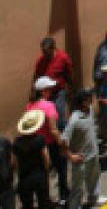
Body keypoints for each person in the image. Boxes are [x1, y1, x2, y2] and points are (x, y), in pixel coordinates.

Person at [61, 88, 105, 209]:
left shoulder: (89, 110)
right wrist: (71, 156)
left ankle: (94, 198)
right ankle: (75, 206)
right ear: (83, 101)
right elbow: (63, 141)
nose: (92, 99)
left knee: (94, 178)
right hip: (80, 158)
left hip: (92, 153)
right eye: (89, 98)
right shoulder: (74, 120)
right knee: (78, 186)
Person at [27, 76, 67, 204]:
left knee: (43, 173)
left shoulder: (29, 106)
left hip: (36, 146)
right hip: (51, 144)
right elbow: (53, 129)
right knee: (61, 168)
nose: (51, 91)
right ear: (43, 91)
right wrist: (62, 143)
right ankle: (63, 195)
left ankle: (45, 199)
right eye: (49, 89)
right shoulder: (48, 105)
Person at [32, 37, 74, 128]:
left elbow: (69, 74)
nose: (44, 54)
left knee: (59, 117)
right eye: (43, 52)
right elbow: (36, 76)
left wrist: (70, 89)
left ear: (53, 49)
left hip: (58, 92)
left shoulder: (63, 58)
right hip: (46, 94)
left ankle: (63, 136)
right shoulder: (40, 61)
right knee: (48, 118)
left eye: (46, 52)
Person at [13, 110, 51, 209]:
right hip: (39, 175)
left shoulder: (17, 142)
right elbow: (46, 158)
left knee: (27, 204)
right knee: (43, 202)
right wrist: (46, 172)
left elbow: (15, 163)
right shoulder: (39, 139)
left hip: (24, 178)